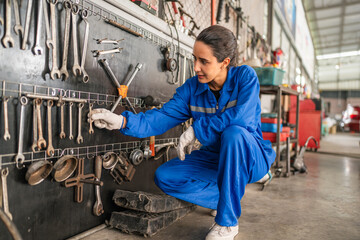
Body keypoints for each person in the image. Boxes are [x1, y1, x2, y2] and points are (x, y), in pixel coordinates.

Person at [90, 25, 275, 240]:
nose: (196, 67)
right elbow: (159, 119)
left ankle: (227, 223)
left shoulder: (245, 77)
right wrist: (121, 121)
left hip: (250, 156)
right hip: (214, 158)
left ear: (225, 62)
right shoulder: (192, 89)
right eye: (195, 58)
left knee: (234, 134)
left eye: (204, 61)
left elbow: (242, 118)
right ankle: (226, 197)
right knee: (166, 177)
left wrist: (198, 129)